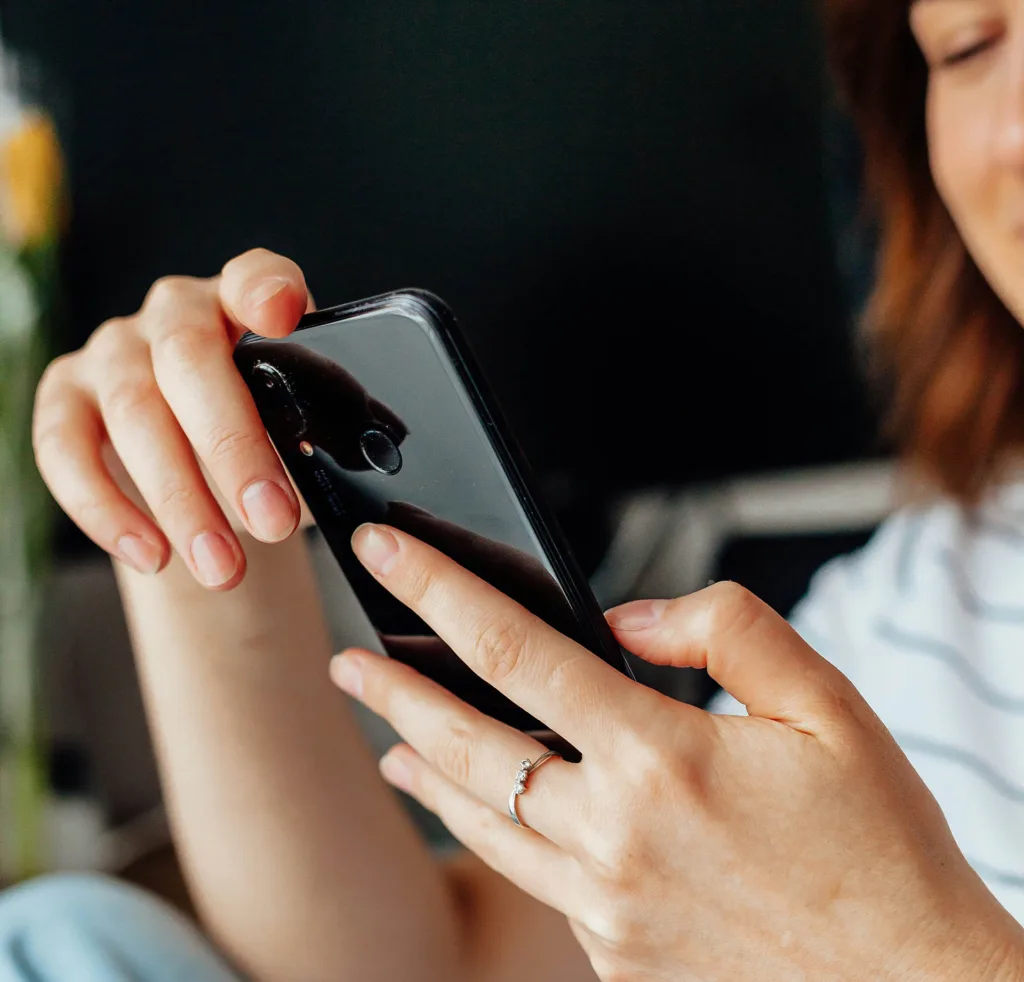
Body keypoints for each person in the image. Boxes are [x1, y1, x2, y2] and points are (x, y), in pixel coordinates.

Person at [7, 0, 1024, 978]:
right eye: (970, 44)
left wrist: (893, 953)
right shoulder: (917, 596)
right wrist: (195, 521)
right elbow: (437, 969)